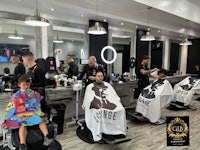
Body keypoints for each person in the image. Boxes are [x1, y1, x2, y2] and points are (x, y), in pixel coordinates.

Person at [1, 74, 53, 150]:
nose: (26, 87)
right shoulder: (16, 95)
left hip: (32, 112)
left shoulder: (33, 93)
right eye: (24, 85)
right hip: (21, 113)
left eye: (27, 85)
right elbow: (12, 106)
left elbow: (36, 104)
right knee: (22, 124)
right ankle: (23, 143)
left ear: (30, 84)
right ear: (19, 85)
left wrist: (38, 111)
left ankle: (47, 135)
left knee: (40, 120)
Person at [83, 71, 126, 141]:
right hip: (98, 104)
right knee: (101, 110)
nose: (100, 78)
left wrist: (118, 102)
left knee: (121, 109)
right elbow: (89, 100)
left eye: (101, 76)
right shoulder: (90, 86)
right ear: (95, 77)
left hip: (107, 102)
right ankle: (103, 130)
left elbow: (114, 96)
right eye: (98, 76)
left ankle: (118, 131)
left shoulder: (107, 85)